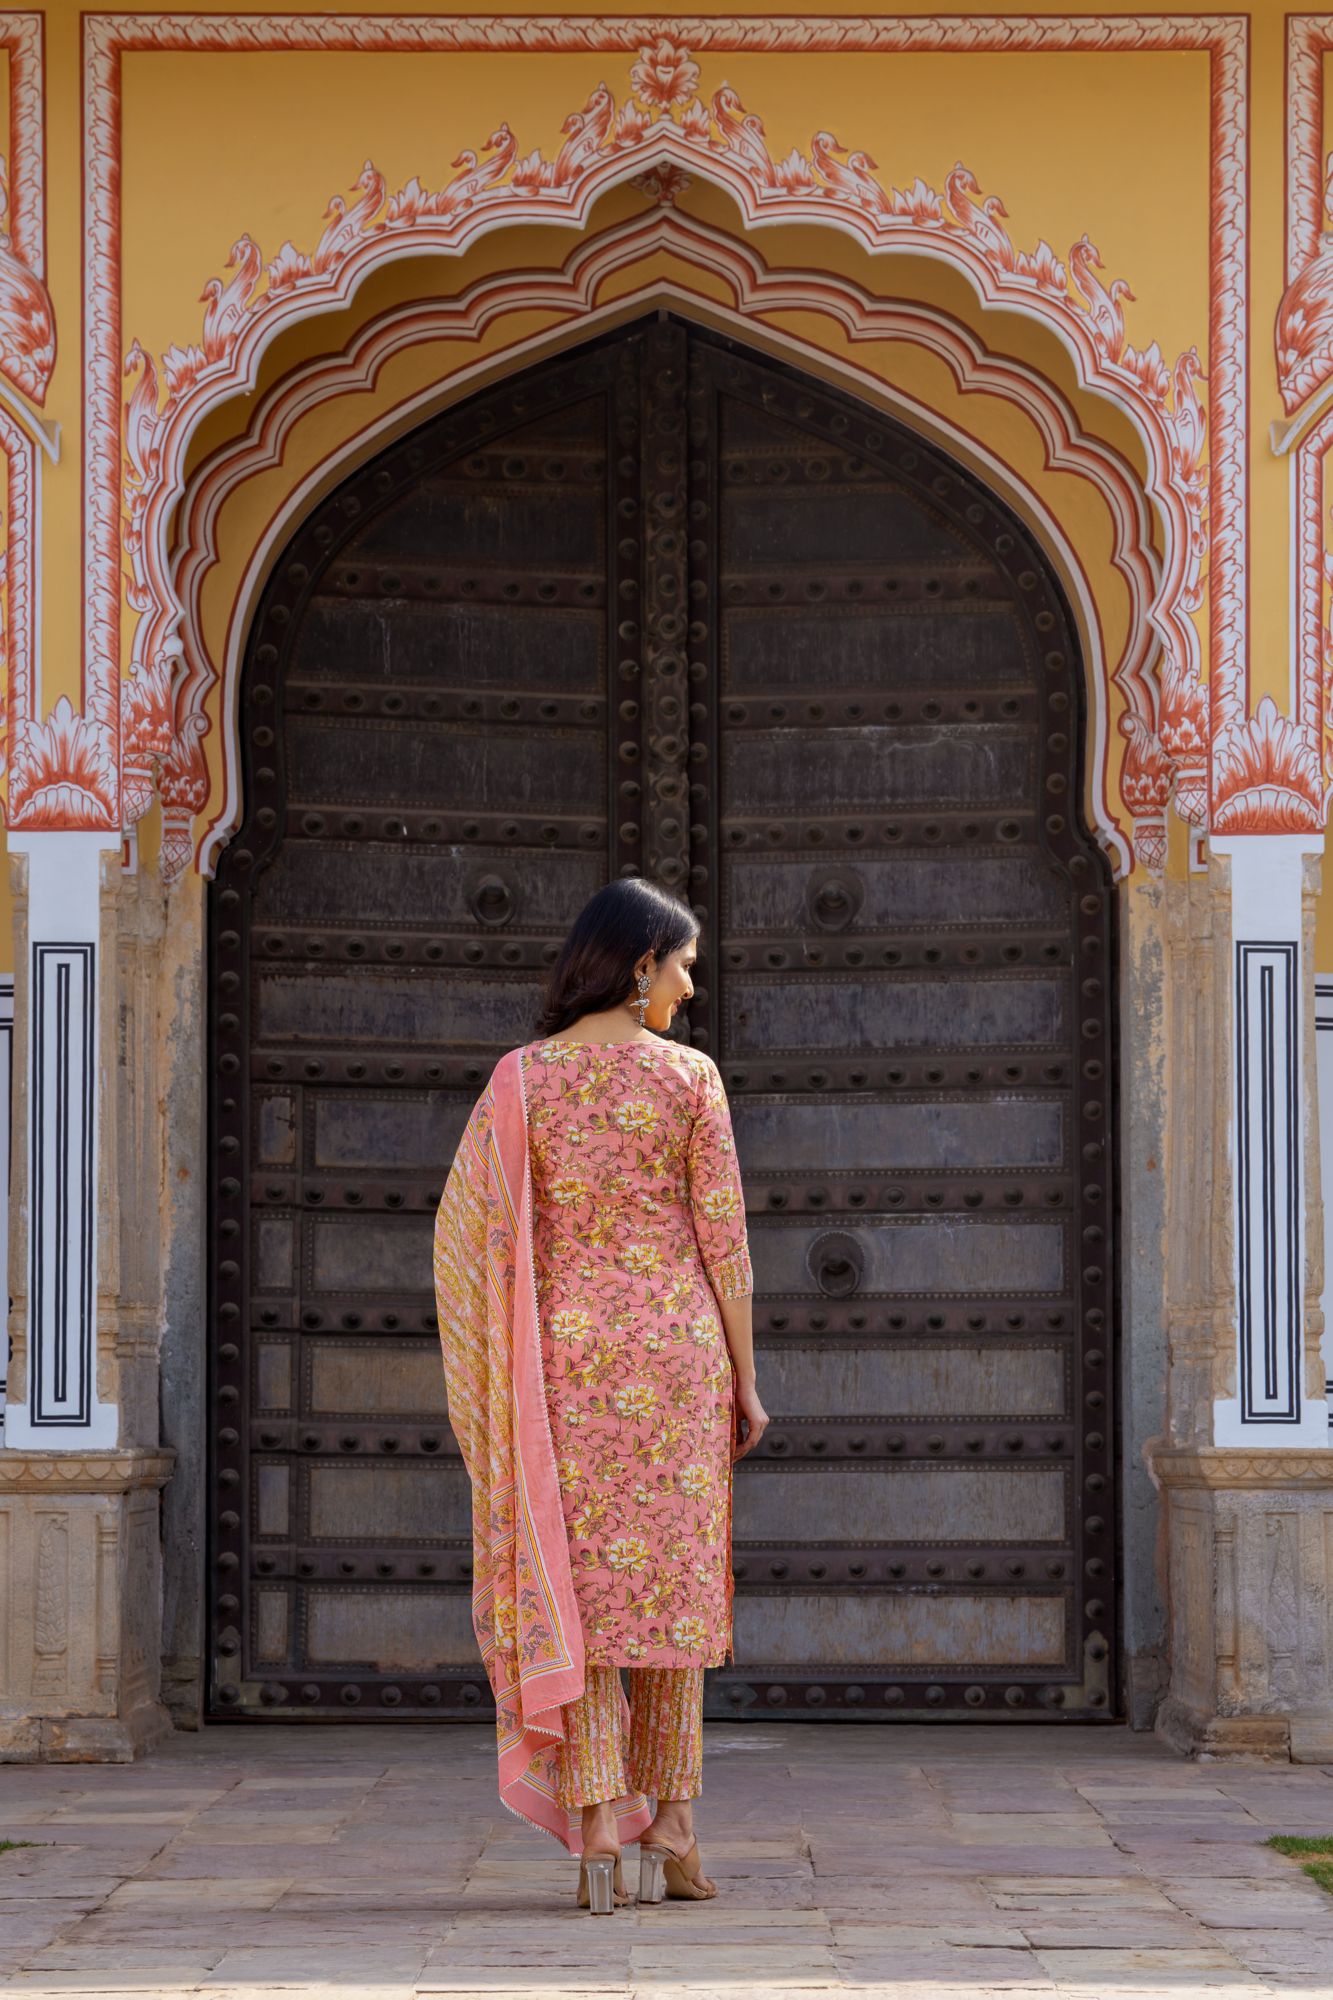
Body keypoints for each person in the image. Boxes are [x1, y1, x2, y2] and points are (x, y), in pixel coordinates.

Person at [434, 878, 768, 1913]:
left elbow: (466, 1234)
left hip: (561, 1366)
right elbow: (725, 1242)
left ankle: (591, 1835)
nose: (691, 983)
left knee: (574, 1598)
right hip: (677, 1355)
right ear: (638, 962)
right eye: (682, 962)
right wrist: (748, 1381)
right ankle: (670, 1826)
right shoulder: (689, 1079)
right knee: (668, 1600)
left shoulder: (519, 1080)